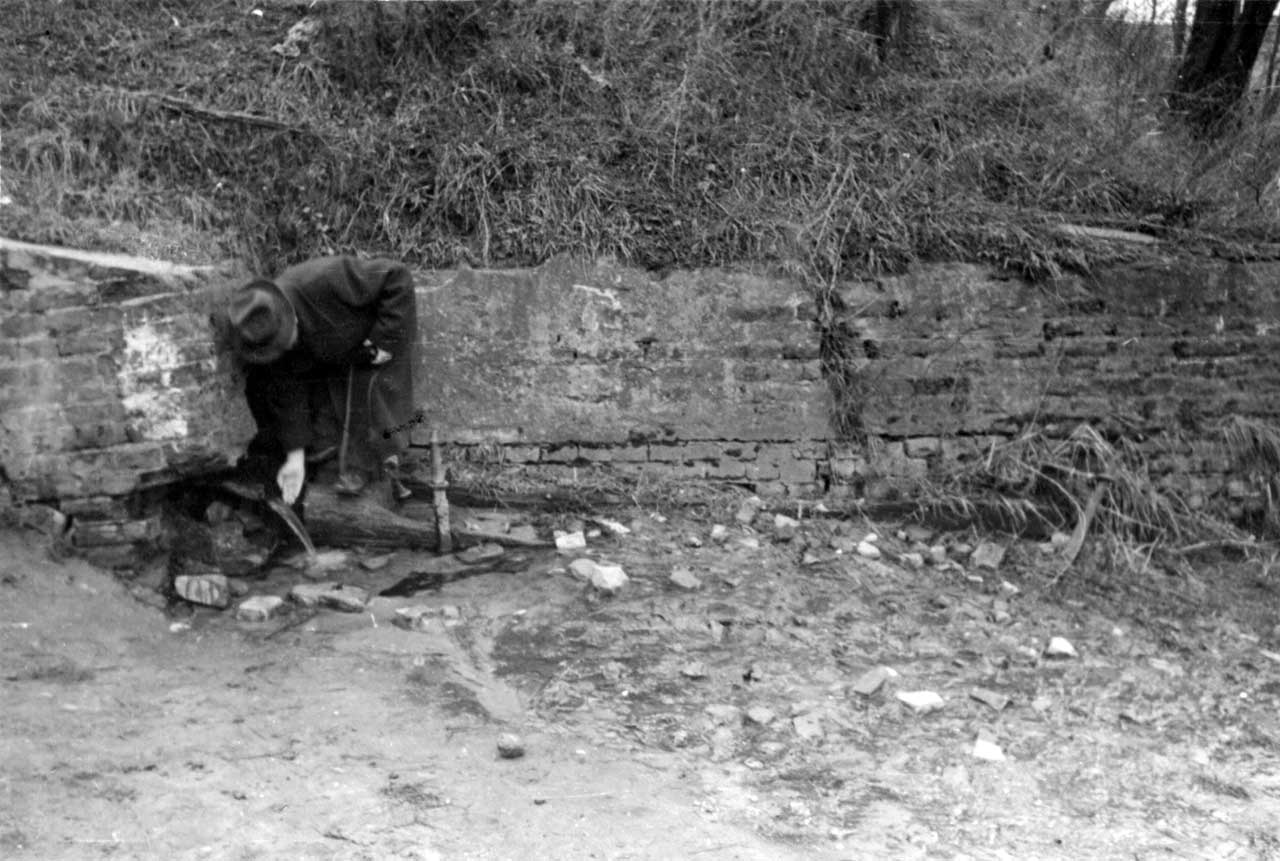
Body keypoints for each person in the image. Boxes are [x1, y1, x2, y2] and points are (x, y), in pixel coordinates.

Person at [223, 256, 418, 506]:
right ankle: (335, 469)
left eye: (285, 340)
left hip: (373, 343)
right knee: (324, 439)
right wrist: (295, 458)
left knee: (377, 419)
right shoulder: (267, 332)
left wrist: (384, 340)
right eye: (278, 348)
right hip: (334, 359)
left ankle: (384, 470)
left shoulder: (326, 278)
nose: (285, 349)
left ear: (289, 315)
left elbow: (397, 277)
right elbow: (288, 392)